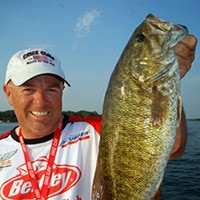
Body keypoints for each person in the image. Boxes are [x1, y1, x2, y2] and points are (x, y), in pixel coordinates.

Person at [0, 34, 197, 200]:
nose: (41, 100)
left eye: (51, 89)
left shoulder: (93, 131)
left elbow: (174, 148)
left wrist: (166, 86)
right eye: (28, 89)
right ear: (8, 93)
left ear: (62, 90)